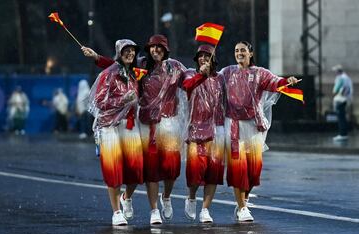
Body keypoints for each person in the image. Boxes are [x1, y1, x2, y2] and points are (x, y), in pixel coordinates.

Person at [82, 34, 187, 224]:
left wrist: (205, 74)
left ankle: (147, 197)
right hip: (125, 125)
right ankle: (125, 209)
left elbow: (188, 81)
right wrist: (97, 58)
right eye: (152, 47)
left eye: (159, 47)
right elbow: (114, 68)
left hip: (149, 124)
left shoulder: (164, 68)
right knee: (127, 169)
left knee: (150, 169)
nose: (156, 50)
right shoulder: (133, 67)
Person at [220, 41, 299, 222]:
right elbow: (213, 82)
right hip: (233, 125)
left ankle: (244, 200)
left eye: (243, 50)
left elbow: (275, 82)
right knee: (238, 169)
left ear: (250, 53)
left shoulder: (259, 73)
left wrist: (287, 81)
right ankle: (242, 208)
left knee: (253, 172)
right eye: (236, 50)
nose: (239, 53)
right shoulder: (227, 72)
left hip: (254, 127)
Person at [87, 39, 144, 226]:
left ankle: (126, 197)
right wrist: (122, 100)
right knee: (113, 169)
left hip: (129, 125)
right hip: (109, 126)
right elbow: (99, 103)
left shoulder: (135, 74)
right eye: (126, 51)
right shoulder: (109, 74)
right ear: (119, 52)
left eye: (133, 51)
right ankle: (116, 212)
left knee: (136, 169)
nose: (130, 54)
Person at [181, 44, 225, 223]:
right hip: (196, 130)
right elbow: (187, 86)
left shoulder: (220, 78)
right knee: (194, 172)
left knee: (214, 172)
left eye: (207, 55)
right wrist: (201, 74)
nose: (203, 58)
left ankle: (205, 209)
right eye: (200, 56)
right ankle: (191, 197)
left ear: (213, 58)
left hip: (217, 130)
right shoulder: (190, 74)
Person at [331, 64, 353, 141]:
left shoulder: (340, 78)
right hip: (345, 99)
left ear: (337, 71)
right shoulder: (346, 77)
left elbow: (336, 89)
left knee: (341, 117)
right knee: (343, 117)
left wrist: (334, 92)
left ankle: (342, 134)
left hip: (340, 99)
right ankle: (344, 133)